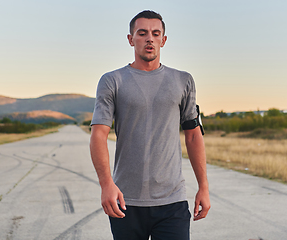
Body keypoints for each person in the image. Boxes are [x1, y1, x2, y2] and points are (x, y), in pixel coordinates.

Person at [89, 10, 210, 240]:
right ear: (130, 39)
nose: (149, 39)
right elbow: (98, 135)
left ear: (164, 40)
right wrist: (106, 184)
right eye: (142, 33)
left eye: (156, 34)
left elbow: (193, 135)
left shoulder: (183, 81)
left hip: (172, 202)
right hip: (125, 201)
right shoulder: (112, 81)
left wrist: (203, 186)